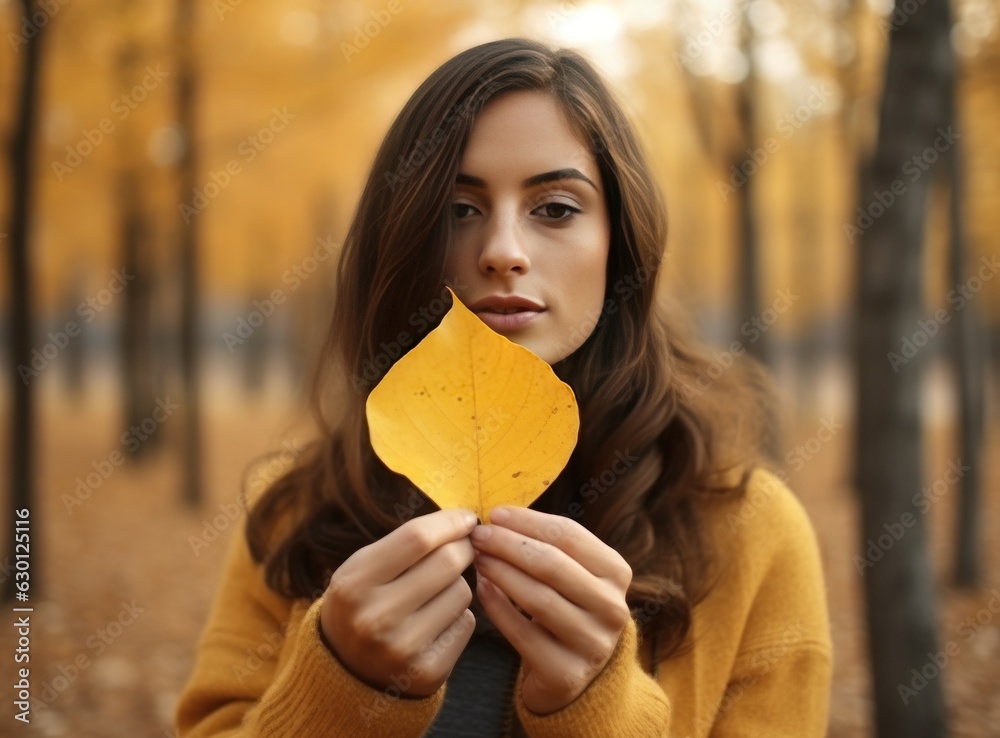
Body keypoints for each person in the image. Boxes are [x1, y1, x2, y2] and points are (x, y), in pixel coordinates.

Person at [175, 37, 831, 737]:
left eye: (555, 208)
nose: (503, 252)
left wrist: (598, 708)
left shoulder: (750, 532)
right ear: (402, 238)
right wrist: (343, 686)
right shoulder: (296, 514)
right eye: (459, 209)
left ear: (621, 242)